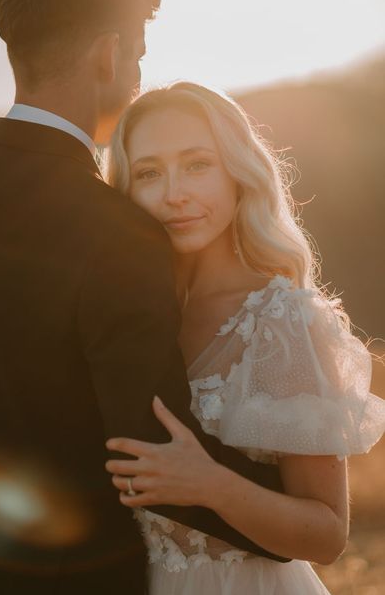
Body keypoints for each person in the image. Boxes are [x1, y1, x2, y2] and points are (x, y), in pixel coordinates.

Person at [0, 0, 289, 594]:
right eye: (138, 58)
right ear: (110, 53)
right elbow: (147, 456)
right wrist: (291, 517)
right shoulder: (120, 231)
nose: (136, 77)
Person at [105, 82, 385, 594]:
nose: (174, 194)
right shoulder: (122, 318)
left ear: (237, 173)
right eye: (149, 173)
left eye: (197, 164)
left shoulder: (282, 321)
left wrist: (208, 483)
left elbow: (327, 536)